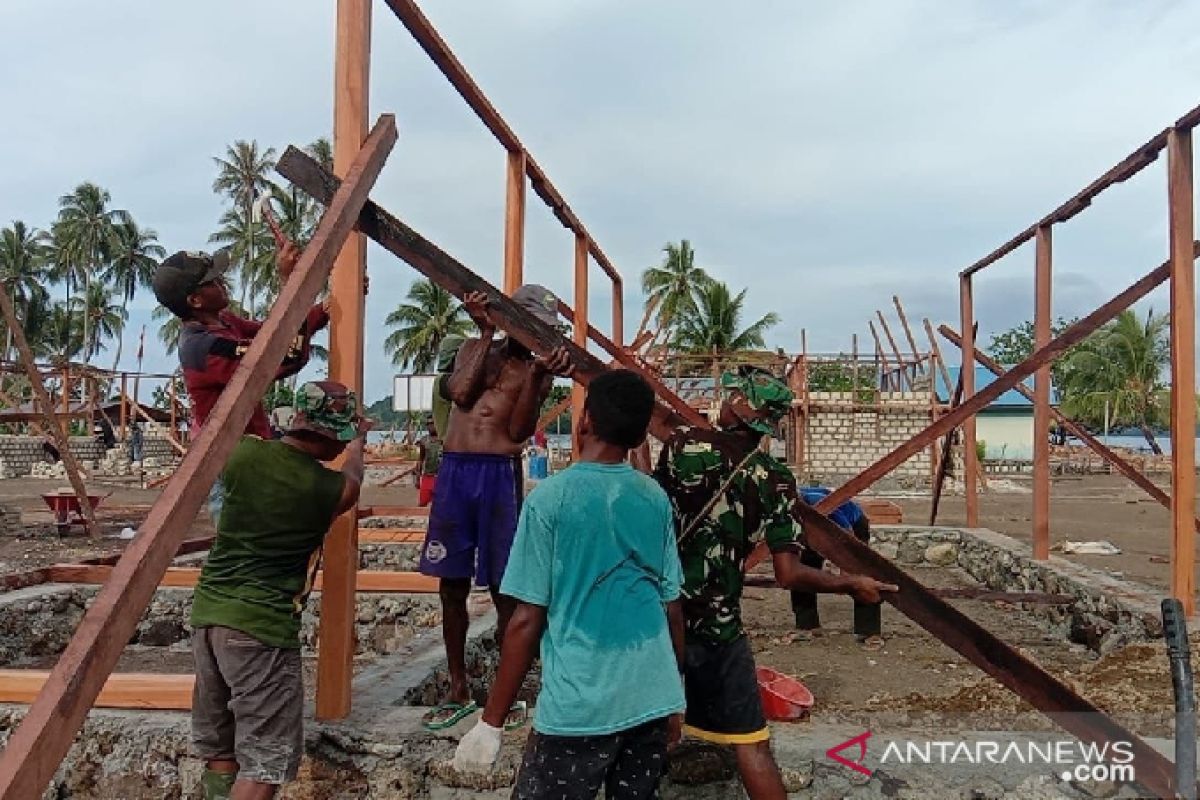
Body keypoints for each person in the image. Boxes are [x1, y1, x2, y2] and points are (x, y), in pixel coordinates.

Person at [652, 366, 897, 800]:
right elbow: (790, 574)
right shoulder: (776, 480)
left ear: (736, 405)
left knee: (642, 741)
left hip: (655, 620)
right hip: (718, 629)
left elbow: (650, 511)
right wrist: (851, 582)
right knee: (753, 747)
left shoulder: (683, 446)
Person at [453, 370, 685, 800]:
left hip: (580, 708)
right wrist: (675, 695)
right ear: (637, 437)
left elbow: (526, 619)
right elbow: (671, 605)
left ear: (585, 422)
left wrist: (490, 723)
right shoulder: (654, 498)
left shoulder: (550, 500)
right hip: (650, 696)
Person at [189, 381, 369, 800]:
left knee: (221, 747)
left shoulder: (244, 454)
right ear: (328, 437)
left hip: (209, 617)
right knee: (264, 764)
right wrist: (359, 445)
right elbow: (353, 477)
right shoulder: (325, 490)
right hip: (261, 627)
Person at [418, 285, 573, 730]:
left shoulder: (539, 370)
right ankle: (458, 686)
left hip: (499, 473)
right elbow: (460, 394)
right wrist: (485, 334)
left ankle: (512, 689)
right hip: (456, 471)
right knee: (451, 585)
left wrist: (537, 377)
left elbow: (520, 427)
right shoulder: (472, 348)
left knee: (508, 587)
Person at [151, 244, 329, 524]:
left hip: (250, 455)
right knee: (247, 547)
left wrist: (322, 310)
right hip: (233, 465)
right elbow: (285, 355)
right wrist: (292, 284)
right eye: (213, 281)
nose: (223, 283)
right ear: (196, 300)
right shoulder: (206, 347)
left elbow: (270, 332)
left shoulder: (223, 323)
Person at [789, 485, 883, 649]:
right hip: (813, 530)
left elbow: (847, 534)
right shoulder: (783, 505)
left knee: (859, 576)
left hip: (853, 526)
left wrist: (844, 571)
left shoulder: (819, 502)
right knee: (803, 573)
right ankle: (807, 625)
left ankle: (869, 632)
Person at [414, 417, 443, 507]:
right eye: (429, 424)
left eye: (433, 423)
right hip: (427, 476)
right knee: (422, 502)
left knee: (441, 504)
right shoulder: (424, 441)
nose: (431, 426)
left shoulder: (444, 440)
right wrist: (418, 478)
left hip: (441, 477)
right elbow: (420, 459)